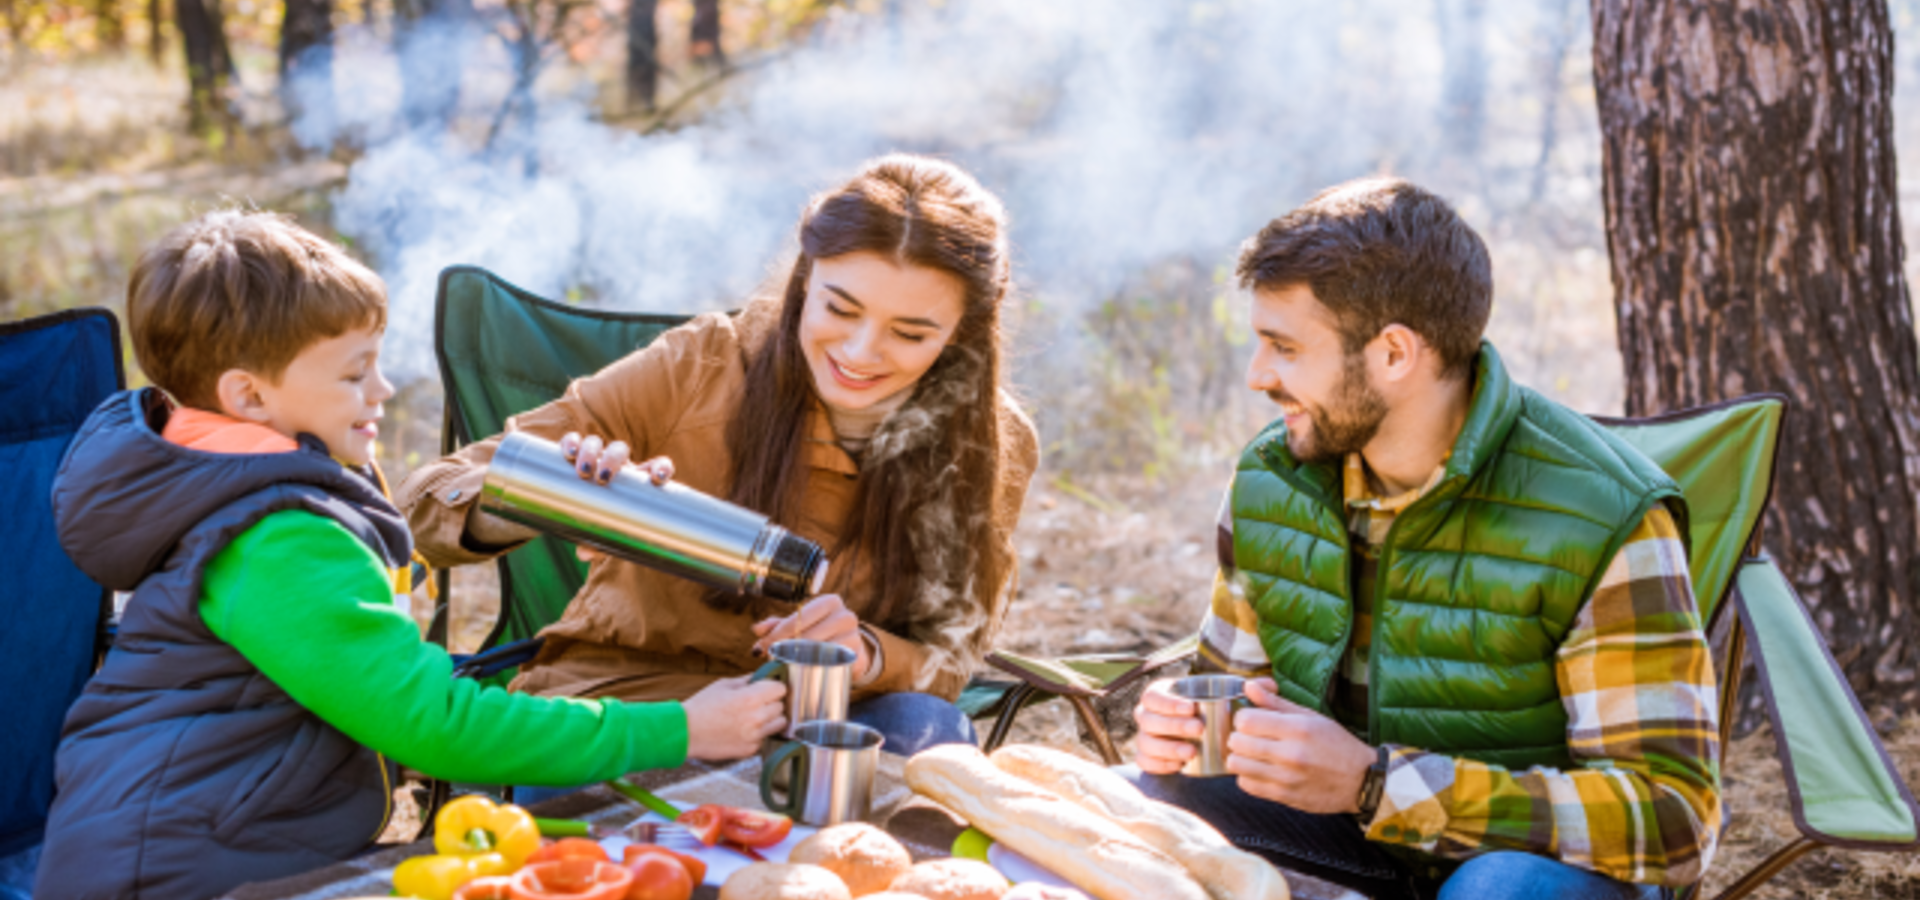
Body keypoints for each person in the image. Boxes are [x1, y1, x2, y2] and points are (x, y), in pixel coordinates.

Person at [33, 210, 786, 900]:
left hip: (201, 839)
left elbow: (357, 625)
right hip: (182, 872)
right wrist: (680, 729)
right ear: (249, 397)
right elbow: (430, 721)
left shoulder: (242, 475)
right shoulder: (274, 537)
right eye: (355, 373)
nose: (384, 389)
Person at [1127, 178, 1720, 900]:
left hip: (1533, 873)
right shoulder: (1274, 478)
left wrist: (1376, 784)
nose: (1258, 377)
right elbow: (1236, 698)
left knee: (1496, 890)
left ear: (1395, 353)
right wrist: (1183, 735)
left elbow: (1672, 820)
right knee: (1130, 804)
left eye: (1284, 346)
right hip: (1354, 843)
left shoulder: (1605, 516)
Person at [399, 154, 1040, 762]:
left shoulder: (986, 441)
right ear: (803, 283)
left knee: (929, 738)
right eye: (839, 308)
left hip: (825, 715)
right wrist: (556, 496)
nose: (862, 352)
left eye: (910, 333)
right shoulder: (702, 365)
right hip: (641, 703)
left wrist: (869, 654)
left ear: (961, 333)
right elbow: (423, 501)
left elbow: (952, 656)